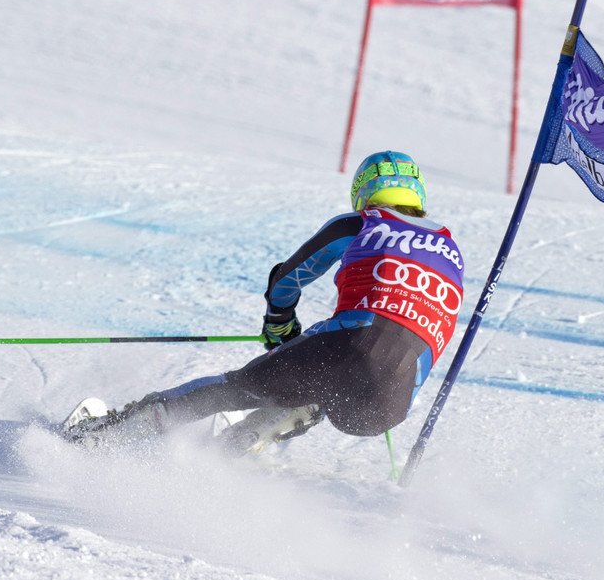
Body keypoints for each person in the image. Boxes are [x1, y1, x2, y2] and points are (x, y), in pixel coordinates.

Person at [63, 151, 465, 454]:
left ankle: (111, 435)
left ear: (363, 192)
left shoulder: (361, 224)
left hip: (351, 342)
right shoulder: (452, 251)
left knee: (239, 387)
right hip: (391, 402)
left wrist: (279, 325)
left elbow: (287, 280)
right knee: (323, 388)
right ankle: (238, 445)